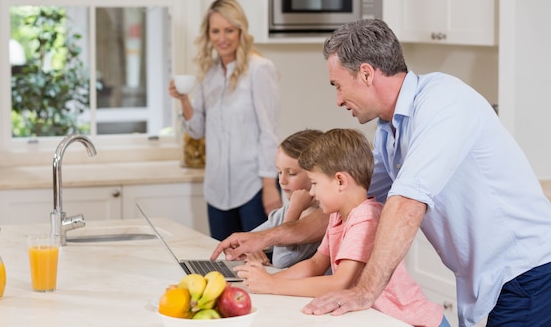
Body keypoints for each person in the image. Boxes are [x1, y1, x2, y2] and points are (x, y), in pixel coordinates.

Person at [212, 18, 551, 327]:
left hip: (527, 272)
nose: (338, 100)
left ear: (366, 74)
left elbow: (406, 204)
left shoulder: (443, 103)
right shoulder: (389, 134)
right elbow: (347, 206)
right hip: (491, 278)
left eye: (337, 85)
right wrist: (265, 238)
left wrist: (364, 292)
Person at [236, 128, 447, 327]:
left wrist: (272, 286)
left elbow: (340, 283)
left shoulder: (366, 218)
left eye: (315, 183)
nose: (312, 193)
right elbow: (315, 264)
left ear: (340, 181)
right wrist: (268, 280)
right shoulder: (338, 216)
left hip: (415, 322)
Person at [168, 0, 282, 241]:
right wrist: (184, 99)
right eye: (216, 31)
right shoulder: (209, 74)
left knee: (261, 264)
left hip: (253, 188)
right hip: (217, 191)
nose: (222, 38)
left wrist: (270, 186)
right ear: (208, 34)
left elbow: (268, 132)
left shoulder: (259, 69)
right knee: (226, 263)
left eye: (229, 30)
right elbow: (197, 130)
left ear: (240, 30)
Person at [247, 129, 324, 268]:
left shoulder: (320, 218)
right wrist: (251, 250)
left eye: (291, 173)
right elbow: (246, 241)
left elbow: (282, 261)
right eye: (279, 172)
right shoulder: (284, 212)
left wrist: (295, 209)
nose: (281, 180)